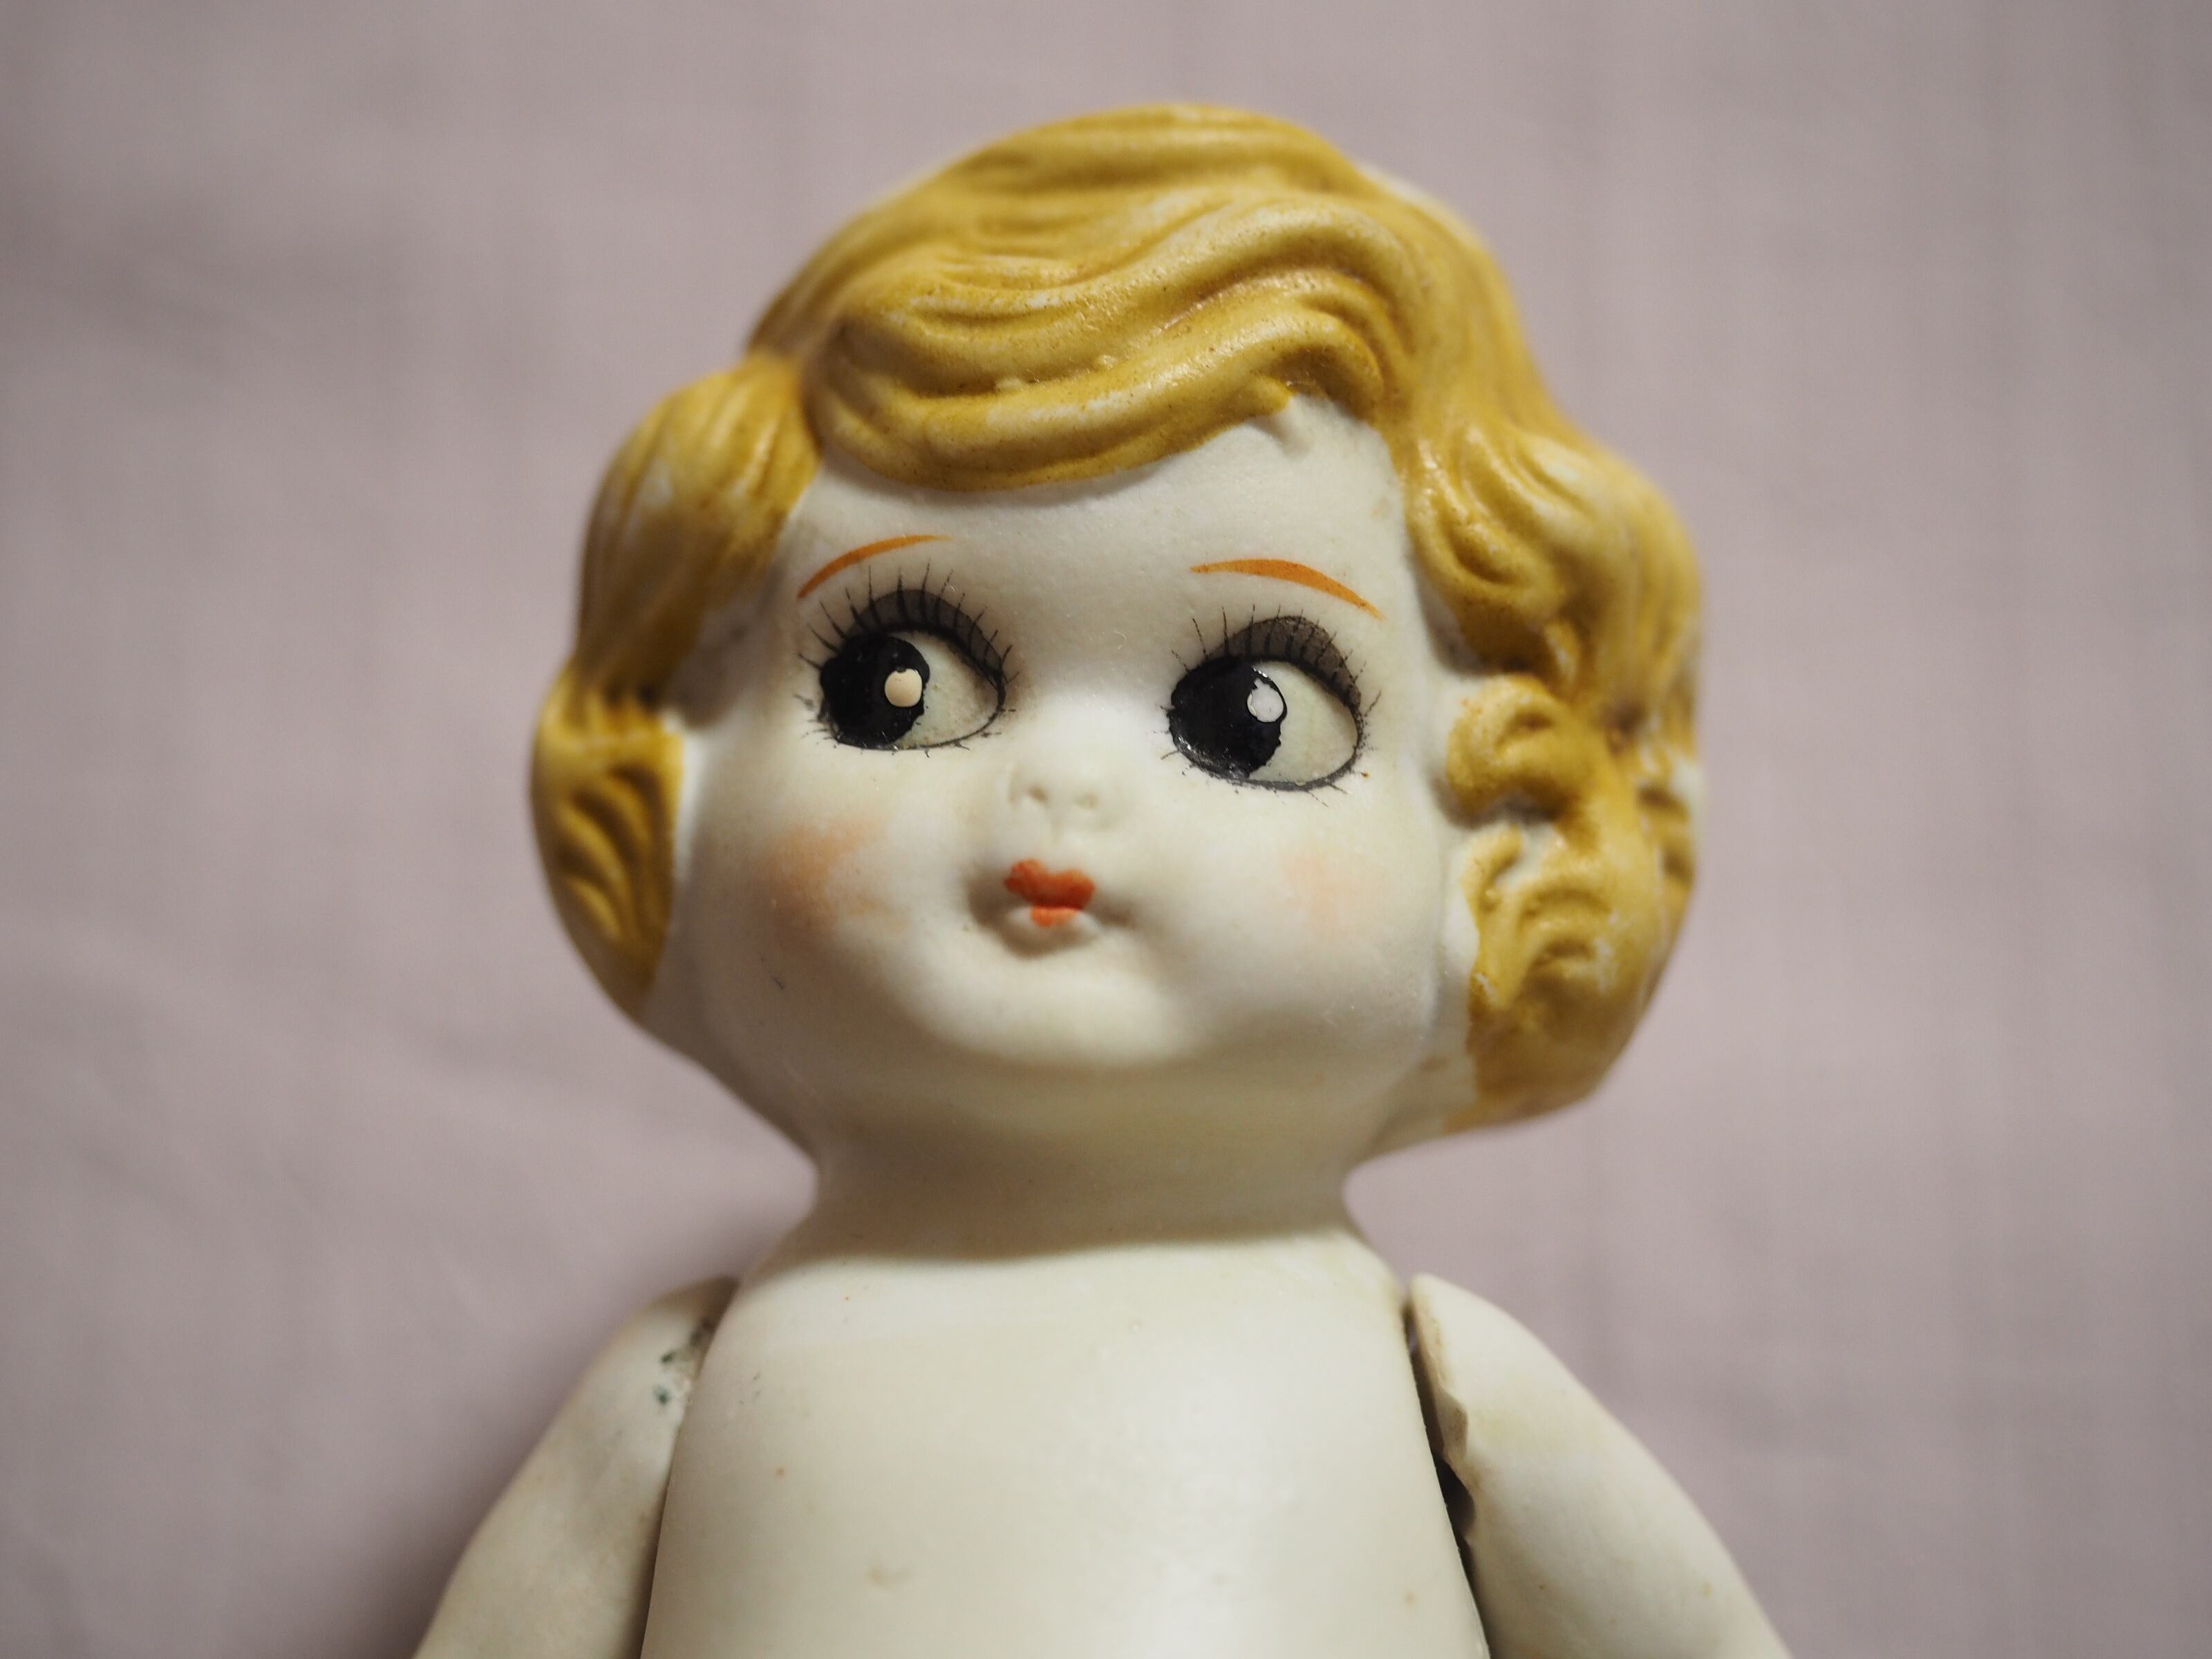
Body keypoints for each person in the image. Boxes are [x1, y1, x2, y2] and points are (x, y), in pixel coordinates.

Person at [417, 104, 1785, 1659]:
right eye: (896, 684)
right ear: (679, 765)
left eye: (1250, 717)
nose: (1064, 787)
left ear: (1506, 828)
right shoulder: (681, 1388)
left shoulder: (1448, 1394)